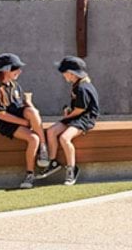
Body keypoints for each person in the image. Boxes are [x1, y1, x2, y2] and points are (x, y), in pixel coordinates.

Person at [0, 53, 48, 189]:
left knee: (32, 112)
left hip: (19, 116)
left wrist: (32, 110)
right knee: (33, 139)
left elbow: (24, 103)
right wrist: (25, 123)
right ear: (6, 70)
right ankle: (30, 174)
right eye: (16, 68)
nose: (20, 71)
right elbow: (1, 115)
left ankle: (44, 149)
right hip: (8, 124)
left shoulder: (15, 85)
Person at [43, 56, 99, 186]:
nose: (63, 75)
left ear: (71, 74)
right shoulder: (77, 84)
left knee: (64, 138)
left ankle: (71, 169)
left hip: (85, 118)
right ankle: (53, 162)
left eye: (64, 72)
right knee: (51, 131)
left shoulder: (82, 88)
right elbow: (76, 108)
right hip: (75, 116)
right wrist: (69, 112)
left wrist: (66, 118)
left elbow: (80, 110)